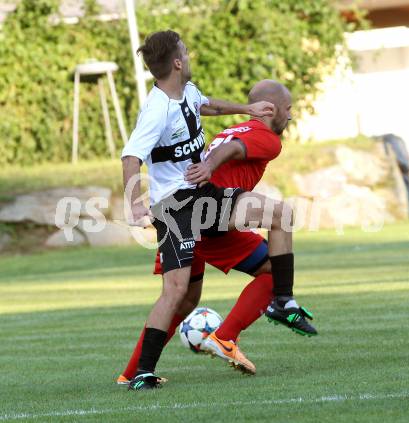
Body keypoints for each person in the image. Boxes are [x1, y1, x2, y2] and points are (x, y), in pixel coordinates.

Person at [122, 30, 311, 391]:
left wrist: (247, 108)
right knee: (176, 292)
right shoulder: (157, 109)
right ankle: (140, 373)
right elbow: (131, 155)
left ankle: (283, 300)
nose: (189, 56)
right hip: (174, 207)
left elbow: (207, 105)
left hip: (203, 195)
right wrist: (134, 203)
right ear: (177, 62)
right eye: (186, 52)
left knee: (279, 214)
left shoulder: (185, 93)